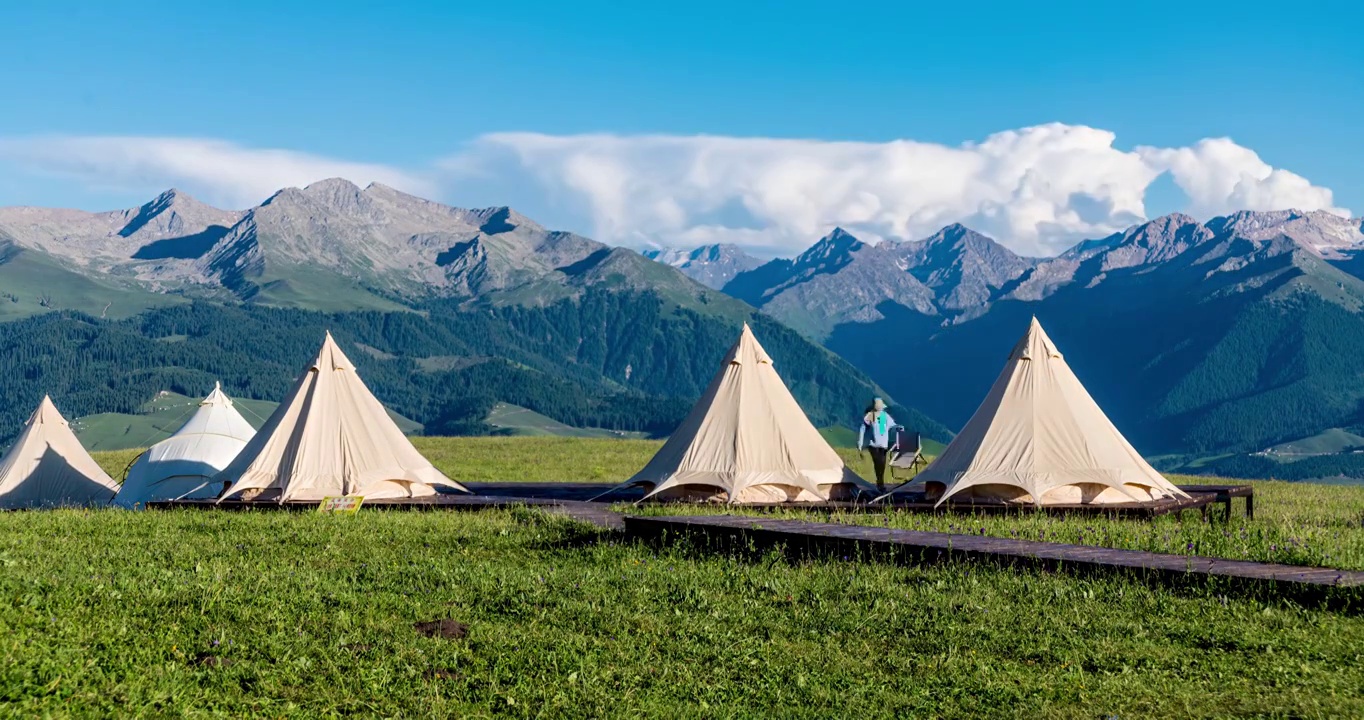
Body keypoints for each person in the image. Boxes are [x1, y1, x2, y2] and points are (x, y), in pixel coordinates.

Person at [858, 398, 897, 491]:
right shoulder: (871, 415)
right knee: (878, 463)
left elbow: (893, 425)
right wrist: (860, 443)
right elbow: (863, 428)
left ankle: (880, 482)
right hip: (873, 445)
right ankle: (880, 483)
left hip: (883, 445)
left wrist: (899, 429)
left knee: (882, 464)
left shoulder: (884, 416)